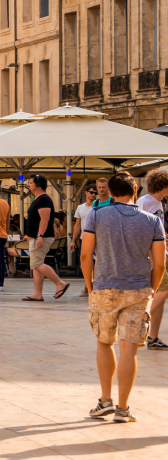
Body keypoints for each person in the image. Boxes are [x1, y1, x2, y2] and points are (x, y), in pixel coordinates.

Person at [81, 172, 167, 424]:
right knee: (129, 348)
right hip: (139, 290)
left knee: (104, 343)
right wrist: (151, 288)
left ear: (111, 192)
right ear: (135, 191)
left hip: (105, 288)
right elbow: (159, 263)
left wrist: (90, 286)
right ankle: (123, 408)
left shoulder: (96, 215)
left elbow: (86, 256)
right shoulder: (152, 220)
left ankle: (105, 400)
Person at [24, 175, 71, 301]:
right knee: (35, 265)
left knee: (37, 263)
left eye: (30, 183)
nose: (28, 185)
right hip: (36, 237)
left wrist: (39, 236)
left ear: (37, 185)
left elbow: (45, 220)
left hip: (42, 237)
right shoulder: (38, 199)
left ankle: (60, 283)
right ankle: (37, 293)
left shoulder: (43, 199)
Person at [141, 170, 168, 350]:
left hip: (160, 251)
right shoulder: (144, 202)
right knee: (163, 291)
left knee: (162, 293)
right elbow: (139, 227)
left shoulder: (158, 203)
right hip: (152, 254)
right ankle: (139, 321)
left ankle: (153, 337)